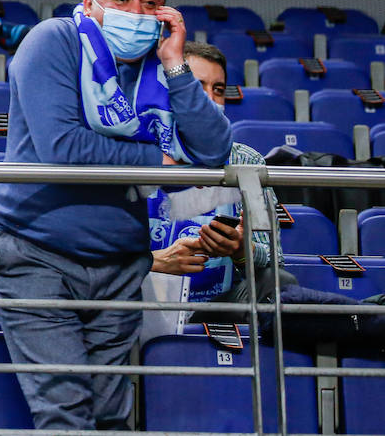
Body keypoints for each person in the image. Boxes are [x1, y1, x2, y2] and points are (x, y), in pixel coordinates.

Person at [0, 0, 232, 431]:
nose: (137, 11)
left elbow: (214, 150)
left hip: (119, 264)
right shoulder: (52, 41)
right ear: (91, 1)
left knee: (111, 418)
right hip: (36, 254)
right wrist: (158, 162)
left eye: (151, 1)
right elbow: (63, 147)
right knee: (67, 408)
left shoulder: (160, 69)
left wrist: (178, 65)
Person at [149, 40, 385, 352]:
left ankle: (365, 320)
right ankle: (367, 320)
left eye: (218, 90)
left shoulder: (245, 161)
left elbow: (272, 256)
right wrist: (154, 262)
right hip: (144, 296)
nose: (208, 99)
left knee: (275, 281)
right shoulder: (134, 154)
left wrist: (239, 249)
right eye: (197, 86)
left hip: (220, 301)